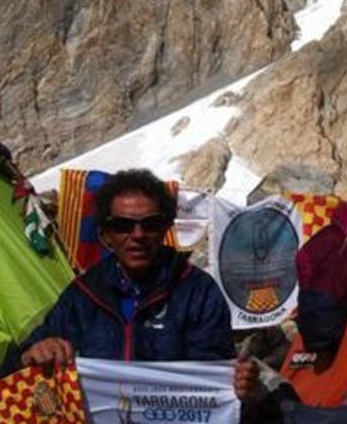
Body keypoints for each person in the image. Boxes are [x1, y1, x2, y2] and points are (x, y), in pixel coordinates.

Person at [14, 169, 260, 400]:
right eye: (123, 226)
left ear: (165, 228)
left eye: (150, 224)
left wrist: (235, 384)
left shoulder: (197, 290)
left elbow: (214, 375)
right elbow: (15, 368)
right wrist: (33, 353)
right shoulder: (83, 294)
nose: (138, 235)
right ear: (105, 234)